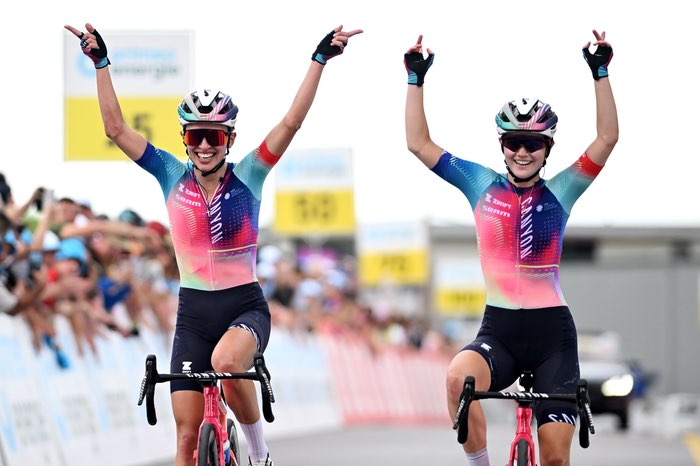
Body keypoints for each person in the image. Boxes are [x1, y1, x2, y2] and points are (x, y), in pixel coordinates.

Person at [65, 22, 362, 466]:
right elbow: (115, 129)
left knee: (226, 363)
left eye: (215, 136)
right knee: (187, 437)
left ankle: (258, 453)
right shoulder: (170, 173)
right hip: (193, 316)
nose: (204, 146)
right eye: (195, 135)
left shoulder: (251, 174)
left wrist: (319, 60)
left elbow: (291, 122)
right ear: (184, 139)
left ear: (230, 139)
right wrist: (101, 63)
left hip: (244, 307)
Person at [404, 30, 617, 466]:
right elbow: (418, 144)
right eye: (513, 142)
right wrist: (415, 80)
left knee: (554, 458)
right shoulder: (479, 184)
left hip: (552, 338)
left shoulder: (562, 190)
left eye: (533, 143)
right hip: (499, 332)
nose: (522, 151)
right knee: (456, 380)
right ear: (501, 145)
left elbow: (607, 139)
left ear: (547, 148)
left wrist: (600, 73)